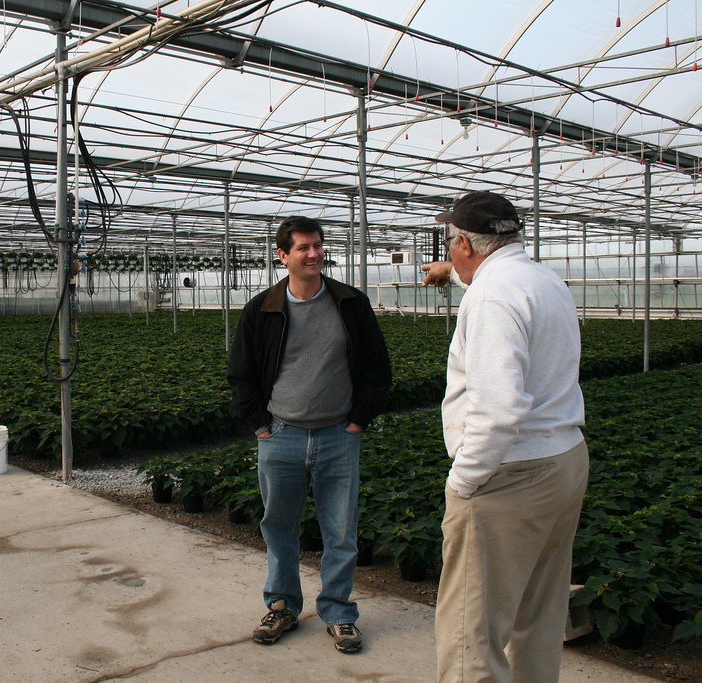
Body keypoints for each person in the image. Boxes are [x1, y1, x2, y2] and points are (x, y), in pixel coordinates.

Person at [422, 191, 589, 682]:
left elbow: (498, 410)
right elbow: (488, 275)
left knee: (470, 633)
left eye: (451, 244)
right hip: (563, 462)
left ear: (468, 246)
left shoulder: (492, 297)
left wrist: (464, 481)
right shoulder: (541, 278)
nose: (450, 252)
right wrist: (447, 272)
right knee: (538, 617)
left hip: (510, 474)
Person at [227, 216, 392, 654]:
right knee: (278, 525)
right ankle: (282, 605)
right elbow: (240, 374)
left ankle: (338, 612)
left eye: (317, 245)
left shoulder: (350, 303)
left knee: (341, 530)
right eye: (302, 247)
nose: (314, 253)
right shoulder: (262, 308)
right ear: (282, 255)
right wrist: (260, 425)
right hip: (280, 433)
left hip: (339, 434)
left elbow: (377, 367)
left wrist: (358, 421)